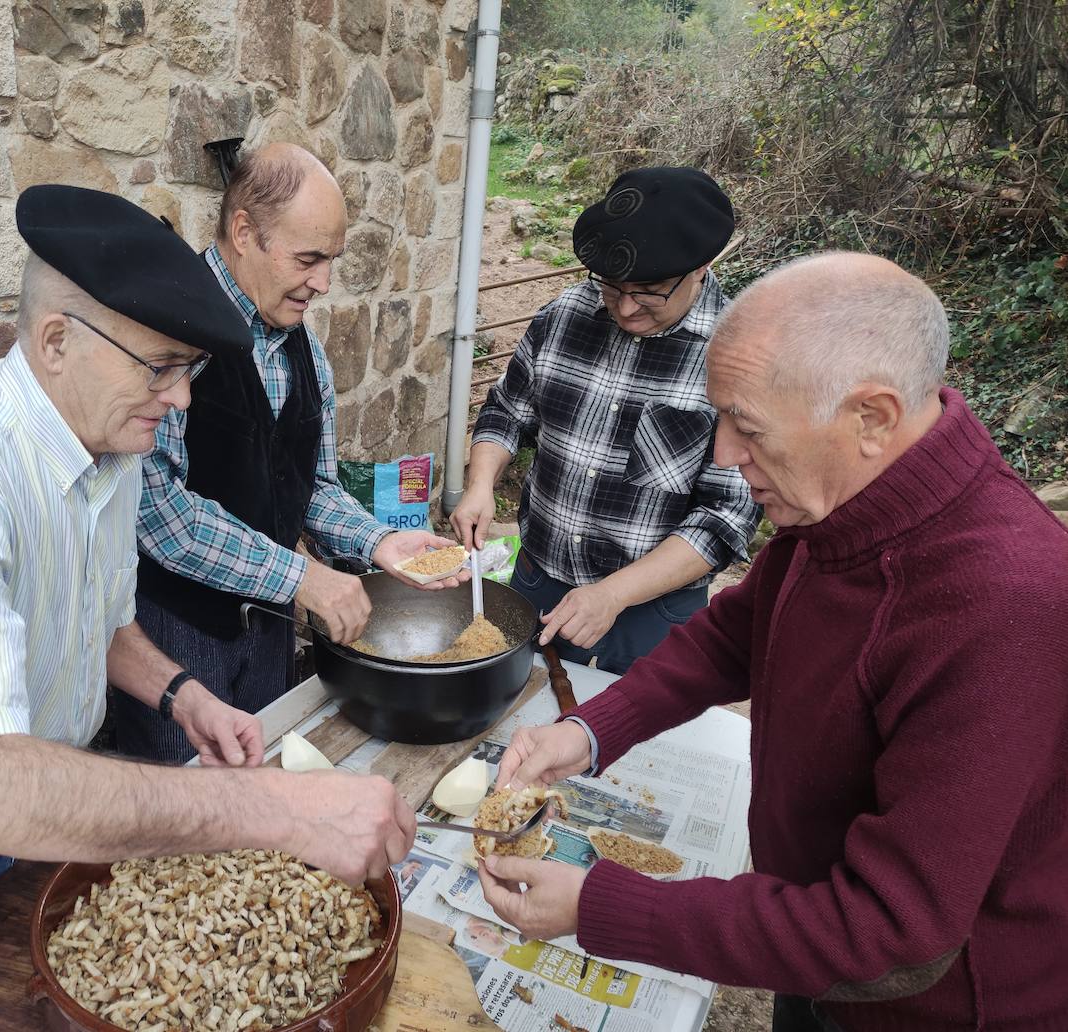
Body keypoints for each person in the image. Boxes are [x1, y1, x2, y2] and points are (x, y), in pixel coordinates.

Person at [0, 185, 417, 1032]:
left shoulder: (107, 447)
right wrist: (279, 810)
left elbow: (101, 625)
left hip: (33, 811)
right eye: (161, 368)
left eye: (190, 370)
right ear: (57, 340)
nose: (181, 399)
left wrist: (185, 696)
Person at [476, 253, 1068, 1031]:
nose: (721, 455)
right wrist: (588, 732)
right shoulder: (841, 505)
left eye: (747, 426)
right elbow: (734, 634)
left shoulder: (1005, 603)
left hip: (933, 1006)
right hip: (806, 945)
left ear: (872, 418)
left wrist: (607, 906)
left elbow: (893, 927)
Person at [120, 143, 464, 763]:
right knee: (188, 816)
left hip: (271, 628)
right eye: (308, 259)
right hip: (177, 632)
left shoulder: (306, 351)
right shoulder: (168, 331)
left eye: (329, 260)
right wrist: (302, 576)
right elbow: (158, 514)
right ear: (245, 232)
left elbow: (314, 489)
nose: (323, 284)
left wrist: (379, 542)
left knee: (265, 784)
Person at [452, 166, 759, 674]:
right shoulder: (564, 316)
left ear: (702, 266)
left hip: (649, 610)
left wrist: (612, 594)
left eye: (650, 290)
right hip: (536, 579)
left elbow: (726, 518)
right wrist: (481, 484)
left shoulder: (737, 358)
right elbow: (507, 411)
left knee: (629, 744)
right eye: (613, 287)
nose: (627, 308)